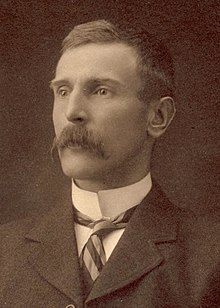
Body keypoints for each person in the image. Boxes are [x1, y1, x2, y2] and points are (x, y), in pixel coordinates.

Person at [0, 20, 219, 308]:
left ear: (158, 117)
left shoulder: (211, 255)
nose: (72, 112)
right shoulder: (5, 252)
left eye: (100, 90)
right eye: (63, 91)